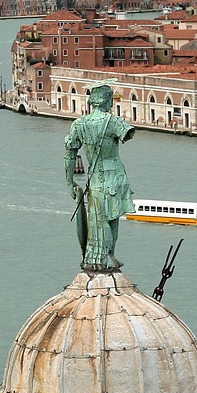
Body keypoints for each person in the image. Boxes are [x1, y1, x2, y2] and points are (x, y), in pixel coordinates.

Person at [64, 82, 136, 270]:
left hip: (95, 177)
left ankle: (102, 256)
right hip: (115, 174)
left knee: (98, 216)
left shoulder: (79, 124)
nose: (112, 104)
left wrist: (69, 181)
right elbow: (127, 133)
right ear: (106, 100)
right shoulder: (113, 121)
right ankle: (107, 255)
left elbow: (70, 153)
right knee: (111, 217)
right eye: (111, 99)